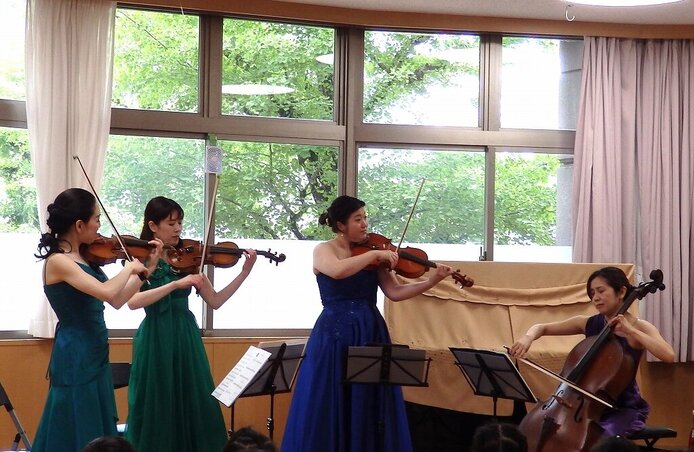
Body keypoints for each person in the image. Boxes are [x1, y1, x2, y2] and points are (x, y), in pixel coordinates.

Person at [280, 195, 472, 452]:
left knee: (368, 398)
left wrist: (432, 281)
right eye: (357, 219)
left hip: (369, 329)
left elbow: (395, 292)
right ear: (341, 225)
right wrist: (375, 254)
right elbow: (337, 271)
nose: (365, 224)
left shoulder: (374, 256)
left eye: (365, 218)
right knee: (328, 396)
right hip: (334, 332)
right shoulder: (324, 250)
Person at [124, 196, 257, 452]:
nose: (178, 229)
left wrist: (244, 272)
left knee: (194, 401)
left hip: (185, 335)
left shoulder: (187, 258)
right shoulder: (141, 259)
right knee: (157, 402)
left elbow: (215, 301)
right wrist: (175, 284)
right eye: (171, 223)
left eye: (180, 223)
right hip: (155, 337)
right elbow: (133, 301)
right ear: (153, 226)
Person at [32, 188, 154, 452]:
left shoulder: (85, 258)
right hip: (75, 352)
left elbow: (116, 300)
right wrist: (130, 268)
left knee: (95, 420)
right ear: (79, 225)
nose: (99, 226)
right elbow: (107, 291)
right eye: (96, 219)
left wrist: (148, 268)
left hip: (95, 349)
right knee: (77, 419)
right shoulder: (58, 261)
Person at [509, 266, 675, 437]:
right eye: (592, 293)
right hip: (585, 407)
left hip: (622, 409)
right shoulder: (589, 323)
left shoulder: (639, 327)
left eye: (601, 291)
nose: (595, 298)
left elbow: (668, 355)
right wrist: (527, 338)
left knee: (593, 437)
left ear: (622, 291)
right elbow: (541, 328)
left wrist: (631, 331)